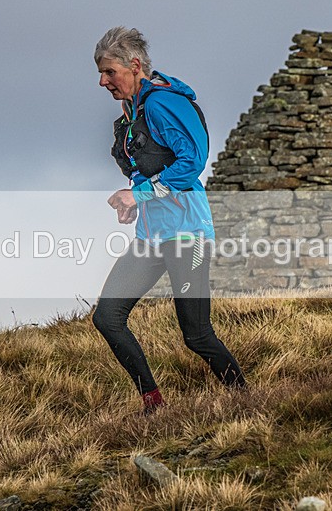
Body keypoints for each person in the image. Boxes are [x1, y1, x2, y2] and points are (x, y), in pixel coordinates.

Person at [92, 27, 246, 415]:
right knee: (108, 318)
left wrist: (138, 194)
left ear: (135, 65)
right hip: (150, 236)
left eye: (109, 72)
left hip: (188, 235)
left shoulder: (162, 103)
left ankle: (245, 398)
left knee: (196, 335)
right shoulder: (133, 110)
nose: (102, 81)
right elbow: (150, 170)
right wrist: (132, 199)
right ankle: (153, 403)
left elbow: (191, 164)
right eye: (100, 72)